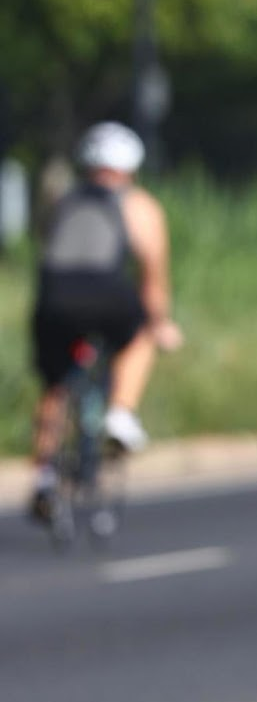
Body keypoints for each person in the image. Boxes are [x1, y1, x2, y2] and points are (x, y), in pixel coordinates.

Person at [28, 122, 183, 520]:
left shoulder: (60, 199)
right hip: (108, 297)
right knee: (140, 335)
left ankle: (44, 475)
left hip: (55, 300)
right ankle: (120, 413)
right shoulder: (140, 205)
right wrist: (159, 322)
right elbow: (153, 279)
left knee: (55, 383)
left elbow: (45, 251)